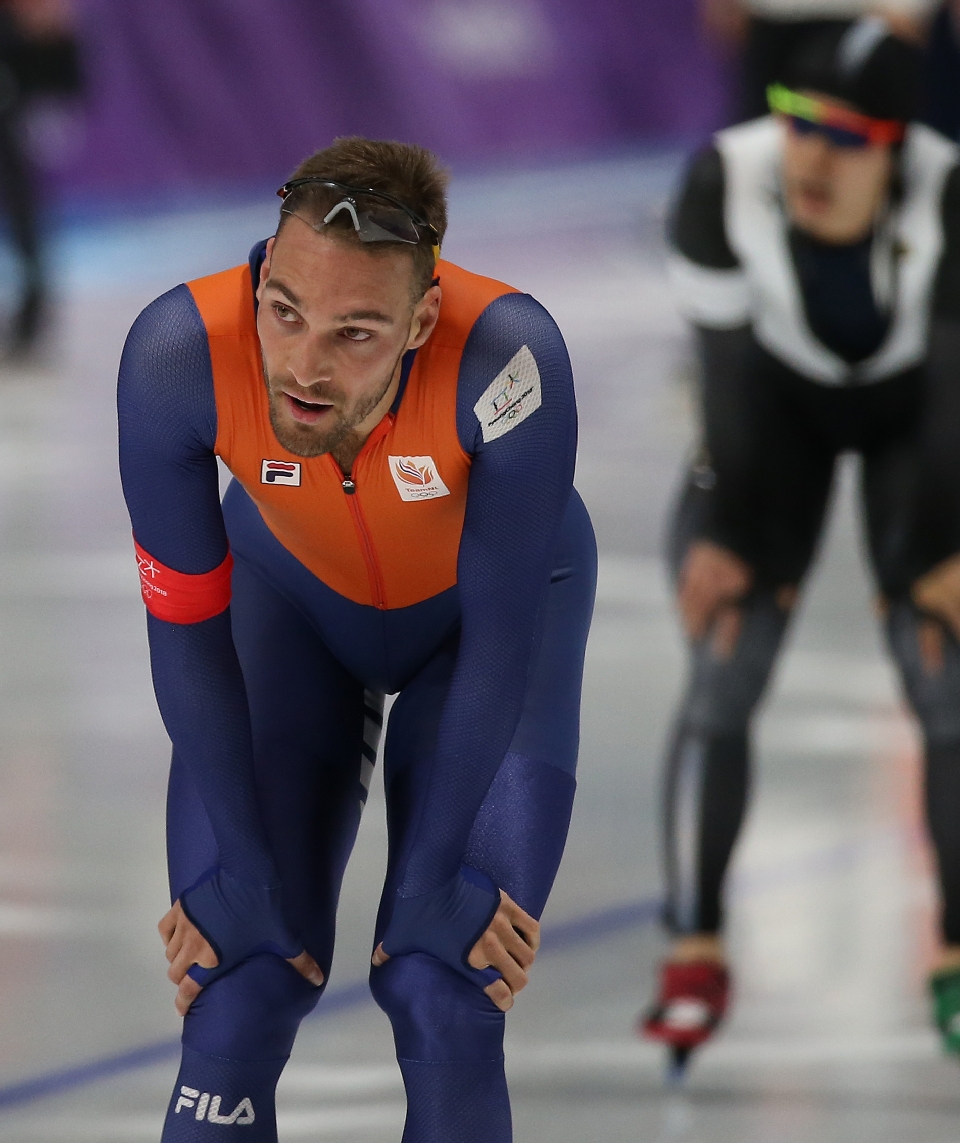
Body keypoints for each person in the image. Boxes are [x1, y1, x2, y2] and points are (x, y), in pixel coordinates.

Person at [118, 137, 596, 1142]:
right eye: (285, 311)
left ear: (423, 320)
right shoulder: (177, 354)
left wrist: (426, 889)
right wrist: (243, 880)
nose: (302, 365)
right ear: (258, 273)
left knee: (444, 991)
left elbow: (504, 643)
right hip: (288, 611)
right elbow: (186, 633)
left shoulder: (508, 358)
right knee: (235, 983)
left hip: (481, 634)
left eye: (356, 334)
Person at [641, 19, 960, 1069]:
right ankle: (694, 949)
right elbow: (727, 381)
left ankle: (956, 954)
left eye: (850, 138)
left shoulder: (951, 196)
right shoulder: (719, 184)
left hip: (918, 412)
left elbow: (953, 402)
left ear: (899, 149)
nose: (815, 159)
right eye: (802, 126)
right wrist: (733, 534)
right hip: (769, 410)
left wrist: (938, 553)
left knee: (942, 664)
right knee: (727, 657)